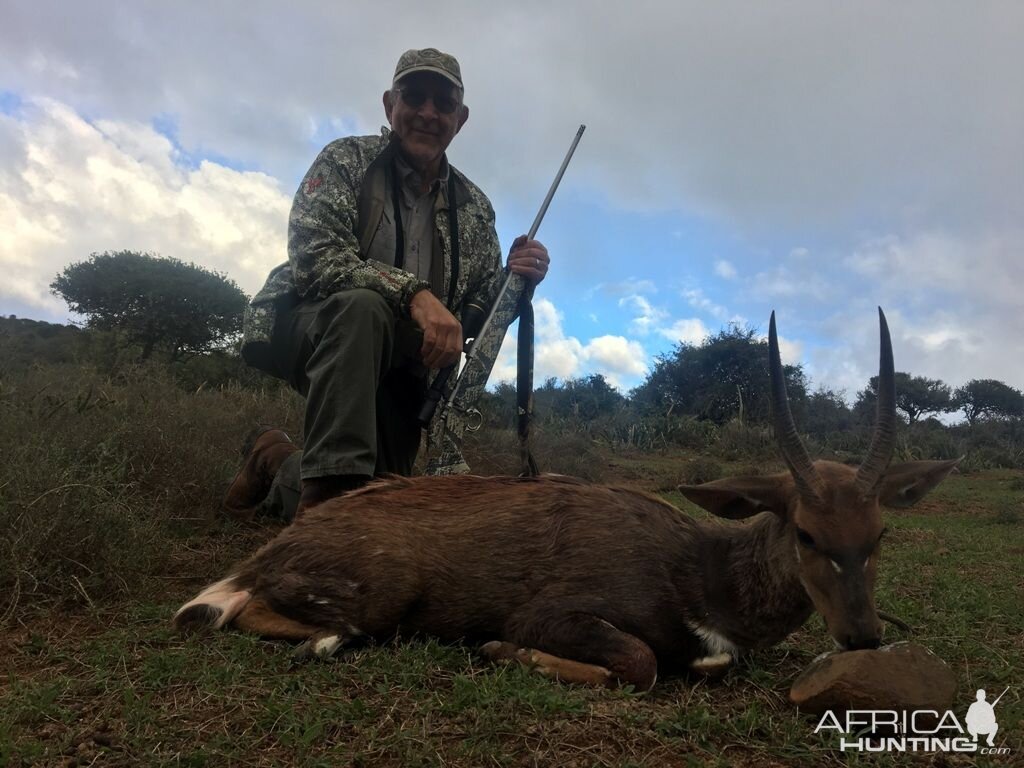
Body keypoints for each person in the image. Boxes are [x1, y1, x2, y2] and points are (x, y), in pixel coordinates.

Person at [223, 48, 551, 522]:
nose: (427, 113)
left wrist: (516, 281)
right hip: (316, 329)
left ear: (460, 119)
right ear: (388, 104)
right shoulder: (344, 160)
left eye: (443, 104)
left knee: (380, 501)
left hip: (407, 363)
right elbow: (315, 255)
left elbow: (476, 310)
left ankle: (275, 461)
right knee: (362, 307)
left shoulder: (475, 207)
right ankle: (327, 518)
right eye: (413, 97)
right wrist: (414, 294)